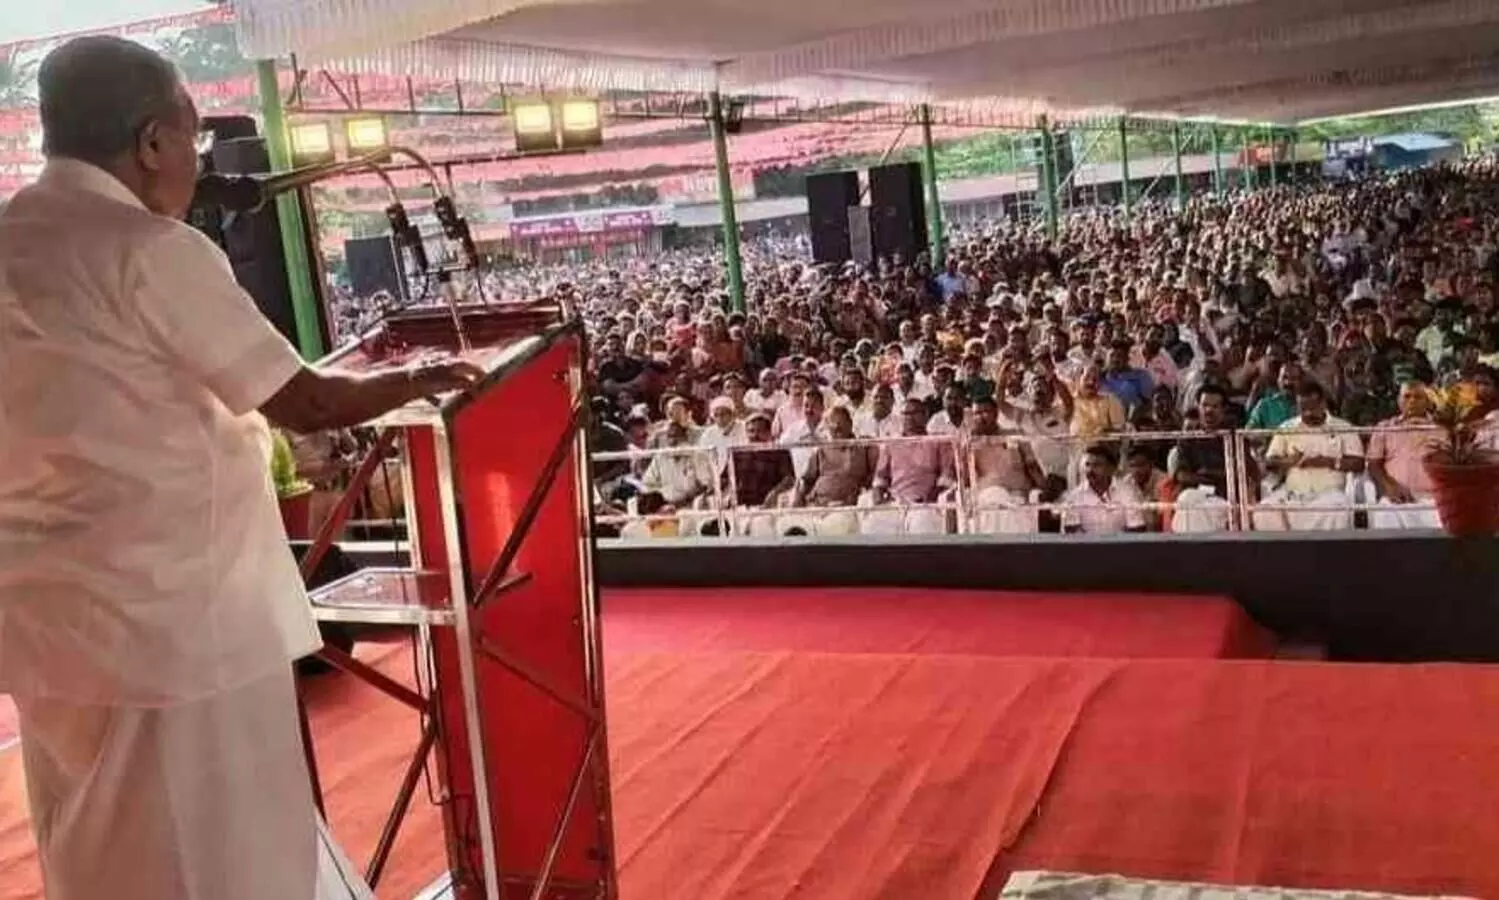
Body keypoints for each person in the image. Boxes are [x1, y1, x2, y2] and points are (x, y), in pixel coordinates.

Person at [0, 37, 480, 900]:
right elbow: (304, 403)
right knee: (223, 853)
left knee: (96, 844)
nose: (196, 164)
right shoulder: (148, 249)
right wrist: (419, 377)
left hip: (45, 619)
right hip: (179, 620)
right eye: (192, 140)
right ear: (153, 141)